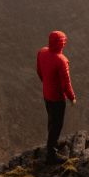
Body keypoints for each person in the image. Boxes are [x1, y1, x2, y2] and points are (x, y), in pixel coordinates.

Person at [36, 30, 76, 164]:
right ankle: (51, 154)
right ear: (62, 44)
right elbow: (66, 84)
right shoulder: (61, 60)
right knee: (57, 125)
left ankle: (52, 142)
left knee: (51, 120)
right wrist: (71, 98)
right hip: (57, 98)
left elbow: (39, 71)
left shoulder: (42, 52)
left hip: (46, 94)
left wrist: (47, 84)